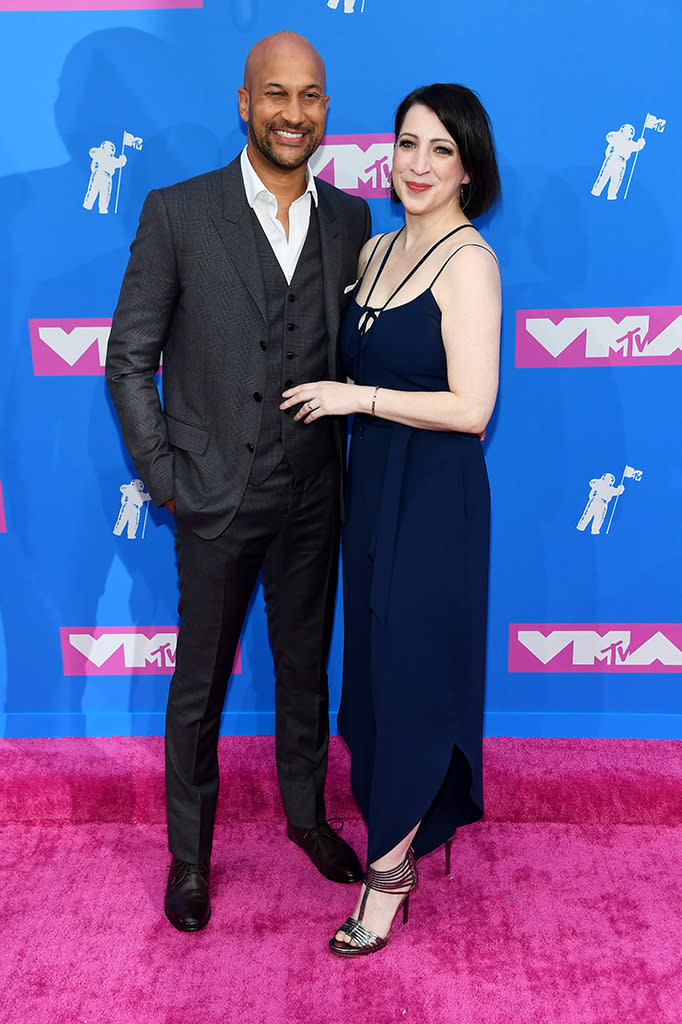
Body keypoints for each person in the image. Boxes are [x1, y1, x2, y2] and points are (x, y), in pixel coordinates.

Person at [105, 30, 371, 932]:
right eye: (276, 95)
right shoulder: (179, 213)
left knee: (305, 670)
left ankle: (306, 817)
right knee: (201, 686)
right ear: (245, 102)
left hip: (314, 498)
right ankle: (190, 857)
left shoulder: (349, 220)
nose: (293, 114)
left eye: (311, 97)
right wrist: (169, 478)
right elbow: (127, 360)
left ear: (326, 108)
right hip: (212, 497)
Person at [281, 83, 501, 955]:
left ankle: (390, 876)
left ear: (469, 167)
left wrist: (355, 394)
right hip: (370, 494)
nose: (417, 164)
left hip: (435, 500)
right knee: (371, 680)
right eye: (407, 143)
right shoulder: (372, 253)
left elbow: (473, 406)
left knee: (411, 680)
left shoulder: (468, 262)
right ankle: (398, 833)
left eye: (440, 150)